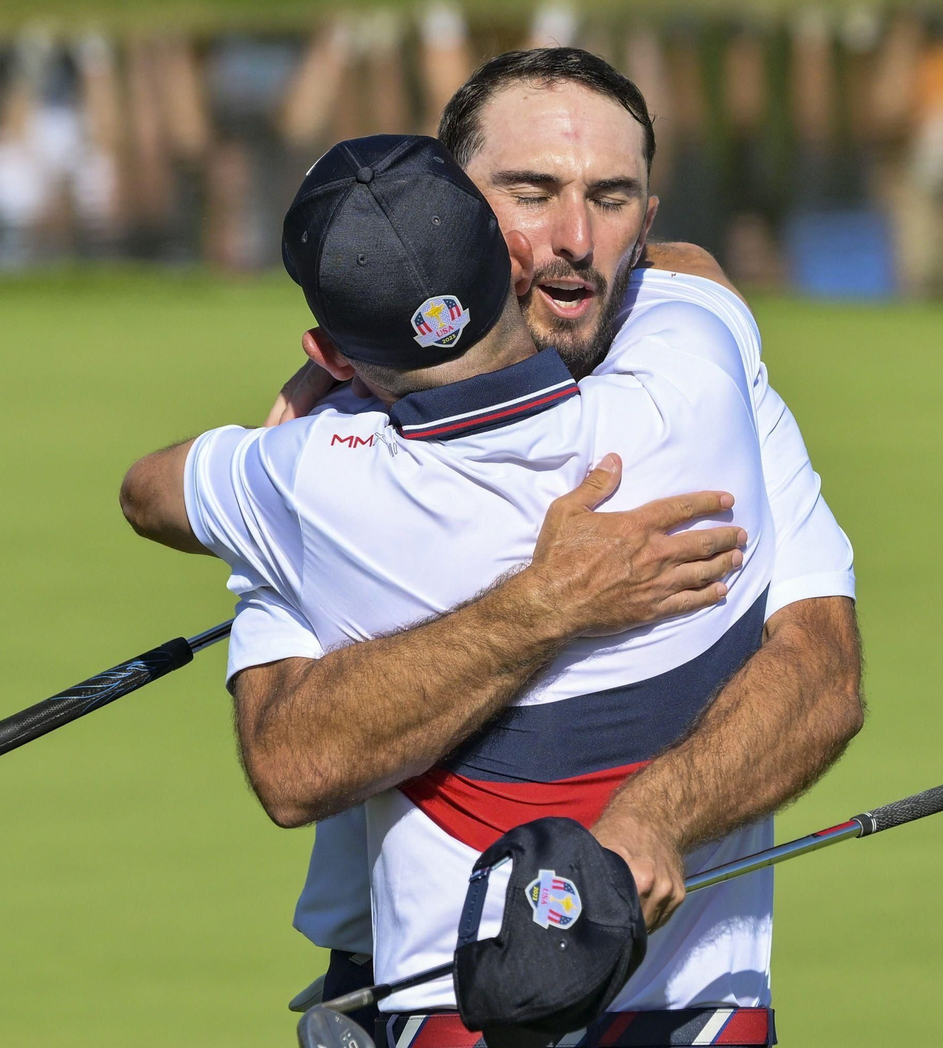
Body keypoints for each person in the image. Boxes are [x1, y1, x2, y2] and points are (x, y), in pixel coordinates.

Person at [122, 132, 791, 1044]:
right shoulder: (691, 374)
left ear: (328, 347)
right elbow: (686, 267)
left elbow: (146, 493)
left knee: (277, 583)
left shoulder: (306, 476)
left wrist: (315, 409)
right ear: (517, 261)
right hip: (697, 1006)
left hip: (454, 1009)